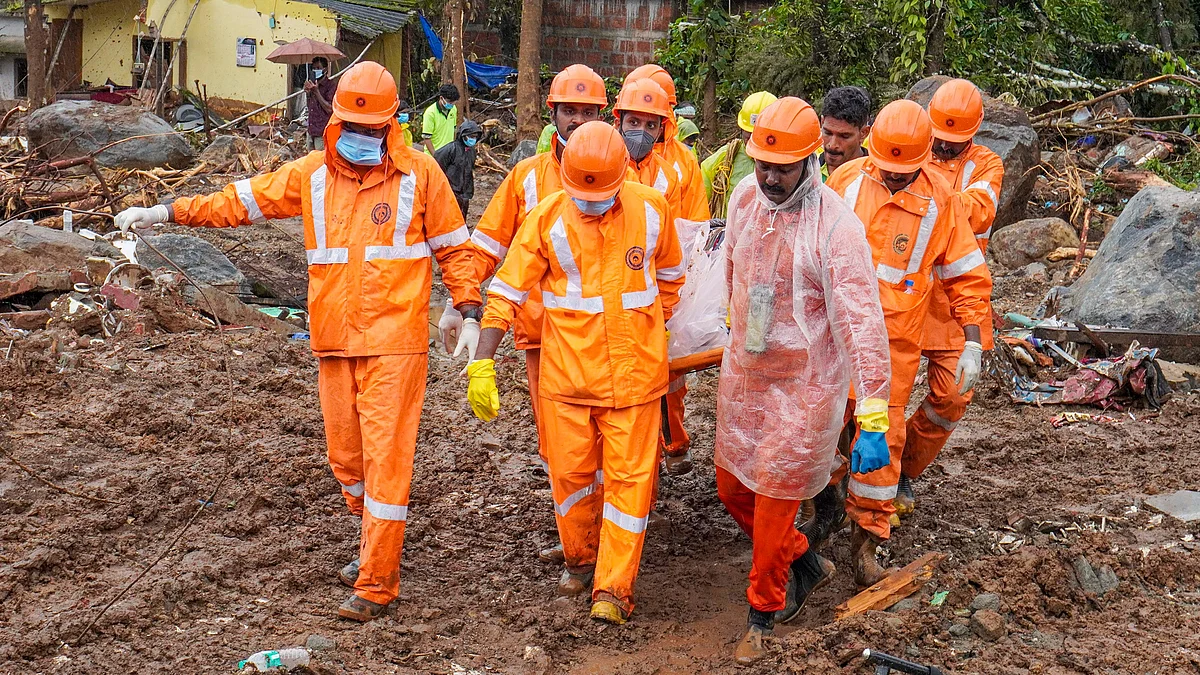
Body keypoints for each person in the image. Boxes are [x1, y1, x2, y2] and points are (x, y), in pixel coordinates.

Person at [113, 62, 482, 622]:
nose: (362, 139)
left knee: (386, 463)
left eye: (372, 130)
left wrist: (467, 305)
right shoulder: (311, 175)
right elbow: (240, 201)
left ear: (391, 126)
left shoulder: (421, 175)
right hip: (334, 341)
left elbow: (456, 248)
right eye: (352, 128)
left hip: (395, 343)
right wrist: (166, 210)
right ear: (335, 122)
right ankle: (371, 542)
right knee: (347, 460)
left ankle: (377, 583)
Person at [463, 121, 685, 625]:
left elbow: (670, 279)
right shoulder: (545, 221)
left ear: (622, 176)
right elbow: (506, 292)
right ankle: (582, 559)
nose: (588, 205)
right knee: (570, 479)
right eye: (580, 195)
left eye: (598, 196)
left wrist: (650, 331)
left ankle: (614, 588)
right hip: (567, 383)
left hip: (635, 381)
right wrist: (483, 359)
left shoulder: (652, 210)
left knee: (630, 485)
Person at [716, 97, 893, 665]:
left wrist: (872, 416)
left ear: (809, 160)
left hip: (805, 386)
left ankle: (762, 615)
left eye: (782, 168)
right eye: (762, 164)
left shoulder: (836, 226)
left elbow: (861, 323)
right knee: (731, 488)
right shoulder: (746, 199)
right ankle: (805, 559)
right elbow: (733, 274)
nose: (769, 177)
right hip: (748, 374)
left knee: (772, 503)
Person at [442, 64, 609, 565]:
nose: (578, 121)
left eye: (588, 112)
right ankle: (581, 548)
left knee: (612, 444)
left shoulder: (620, 171)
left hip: (608, 338)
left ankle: (608, 538)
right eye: (569, 111)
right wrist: (462, 300)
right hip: (544, 337)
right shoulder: (526, 178)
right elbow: (486, 245)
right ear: (551, 113)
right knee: (559, 447)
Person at [825, 99, 992, 587]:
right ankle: (821, 514)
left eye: (904, 174)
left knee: (879, 444)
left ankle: (866, 543)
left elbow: (964, 274)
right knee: (822, 430)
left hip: (888, 353)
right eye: (887, 171)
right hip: (832, 343)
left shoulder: (941, 200)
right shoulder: (847, 181)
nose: (894, 180)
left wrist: (973, 341)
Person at [898, 78, 1003, 517]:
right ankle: (874, 474)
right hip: (907, 296)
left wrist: (928, 201)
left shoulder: (987, 164)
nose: (942, 147)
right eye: (938, 137)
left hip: (957, 300)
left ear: (973, 134)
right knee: (883, 397)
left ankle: (903, 469)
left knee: (953, 397)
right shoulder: (910, 151)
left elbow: (979, 209)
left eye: (952, 142)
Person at [623, 64, 710, 477]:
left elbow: (695, 227)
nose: (643, 129)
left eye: (654, 118)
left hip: (668, 283)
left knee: (671, 374)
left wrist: (686, 283)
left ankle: (672, 440)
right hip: (624, 281)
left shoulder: (680, 164)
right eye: (634, 119)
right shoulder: (610, 156)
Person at [702, 91, 777, 218]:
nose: (755, 142)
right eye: (750, 135)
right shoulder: (722, 159)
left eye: (761, 137)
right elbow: (698, 204)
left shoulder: (790, 164)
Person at [818, 86, 872, 180]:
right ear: (822, 122)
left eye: (844, 136)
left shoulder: (877, 178)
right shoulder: (807, 170)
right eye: (828, 133)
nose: (833, 145)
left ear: (864, 133)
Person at [435, 120, 483, 218]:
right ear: (463, 135)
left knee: (462, 216)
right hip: (450, 190)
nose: (473, 139)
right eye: (470, 136)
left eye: (475, 137)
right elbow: (437, 168)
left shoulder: (471, 151)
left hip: (464, 191)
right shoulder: (450, 149)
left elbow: (469, 170)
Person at [303, 56, 337, 151]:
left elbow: (329, 109)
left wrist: (316, 91)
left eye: (318, 68)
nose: (315, 70)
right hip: (311, 131)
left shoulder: (331, 86)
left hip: (322, 132)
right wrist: (308, 93)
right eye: (313, 68)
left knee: (320, 161)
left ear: (325, 69)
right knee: (310, 161)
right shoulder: (312, 84)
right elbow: (311, 107)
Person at [422, 83, 460, 154]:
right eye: (450, 102)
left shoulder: (453, 109)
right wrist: (436, 155)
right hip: (433, 155)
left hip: (448, 153)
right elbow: (427, 138)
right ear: (441, 98)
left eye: (453, 103)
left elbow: (454, 130)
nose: (451, 105)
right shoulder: (430, 113)